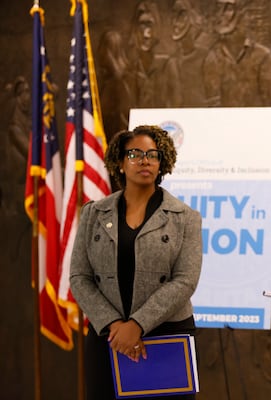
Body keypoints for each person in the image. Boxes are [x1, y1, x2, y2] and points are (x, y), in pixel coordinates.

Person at [70, 125, 202, 400]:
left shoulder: (185, 217)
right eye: (135, 154)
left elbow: (186, 280)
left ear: (162, 162)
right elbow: (79, 277)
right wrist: (116, 325)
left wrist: (137, 325)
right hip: (109, 337)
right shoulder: (93, 213)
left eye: (153, 155)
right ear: (119, 162)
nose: (144, 160)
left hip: (166, 336)